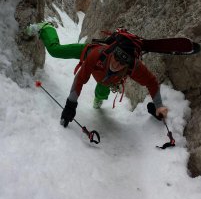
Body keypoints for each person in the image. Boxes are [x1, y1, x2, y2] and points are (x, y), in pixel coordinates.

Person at [27, 22, 168, 127]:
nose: (117, 64)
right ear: (112, 51)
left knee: (101, 91)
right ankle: (47, 27)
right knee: (55, 50)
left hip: (107, 79)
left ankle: (99, 98)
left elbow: (151, 81)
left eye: (122, 63)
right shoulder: (98, 54)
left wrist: (159, 105)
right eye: (116, 57)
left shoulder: (134, 66)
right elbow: (81, 78)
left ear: (129, 64)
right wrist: (71, 104)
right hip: (87, 54)